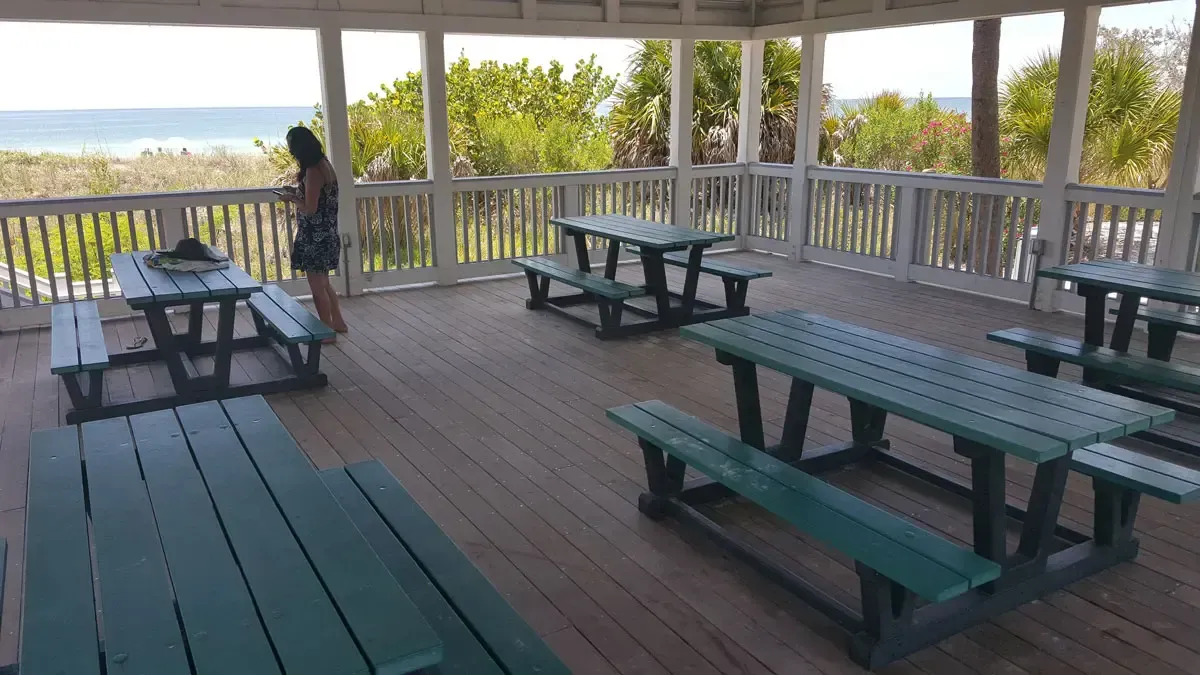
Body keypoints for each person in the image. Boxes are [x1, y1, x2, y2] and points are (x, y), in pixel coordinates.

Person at [280, 126, 348, 340]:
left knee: (317, 289)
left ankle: (325, 331)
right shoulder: (325, 165)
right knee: (324, 283)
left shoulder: (312, 171)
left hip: (314, 237)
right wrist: (296, 192)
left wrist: (291, 199)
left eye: (292, 147)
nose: (291, 152)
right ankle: (338, 322)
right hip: (327, 234)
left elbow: (310, 208)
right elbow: (319, 197)